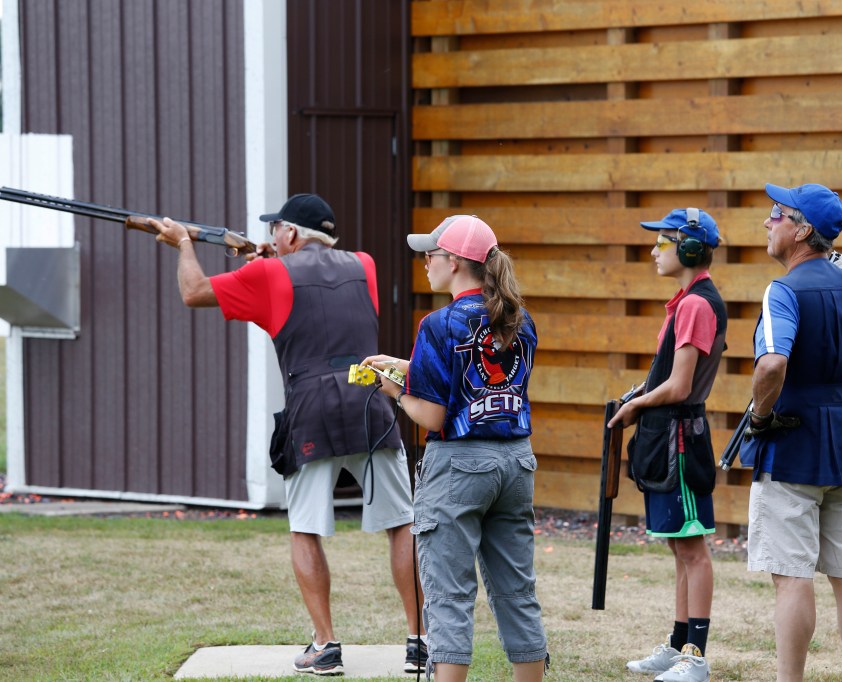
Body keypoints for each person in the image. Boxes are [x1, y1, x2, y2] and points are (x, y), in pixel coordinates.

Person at [146, 194, 427, 677]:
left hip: (311, 408)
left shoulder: (269, 273)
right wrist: (269, 263)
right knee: (401, 523)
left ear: (291, 234)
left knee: (306, 528)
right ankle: (419, 641)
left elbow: (193, 292)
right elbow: (318, 294)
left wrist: (184, 244)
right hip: (370, 400)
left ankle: (326, 645)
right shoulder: (365, 265)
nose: (271, 237)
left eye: (275, 229)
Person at [362, 214, 548, 682]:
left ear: (456, 262)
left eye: (431, 254)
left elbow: (433, 416)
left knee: (449, 596)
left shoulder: (438, 323)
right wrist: (407, 365)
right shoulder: (520, 320)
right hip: (515, 462)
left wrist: (394, 390)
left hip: (459, 466)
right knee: (517, 593)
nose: (425, 262)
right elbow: (482, 379)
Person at [740, 183, 842, 682]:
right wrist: (836, 384)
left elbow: (772, 364)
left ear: (802, 230)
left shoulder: (782, 290)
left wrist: (760, 417)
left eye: (777, 213)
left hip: (791, 448)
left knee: (792, 580)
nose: (768, 221)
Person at [611, 208, 727, 682]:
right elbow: (668, 377)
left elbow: (679, 386)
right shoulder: (685, 302)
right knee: (680, 548)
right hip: (669, 439)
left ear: (690, 248)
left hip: (680, 442)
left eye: (662, 242)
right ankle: (679, 644)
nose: (653, 251)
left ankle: (695, 656)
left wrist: (636, 406)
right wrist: (639, 395)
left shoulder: (696, 305)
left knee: (692, 548)